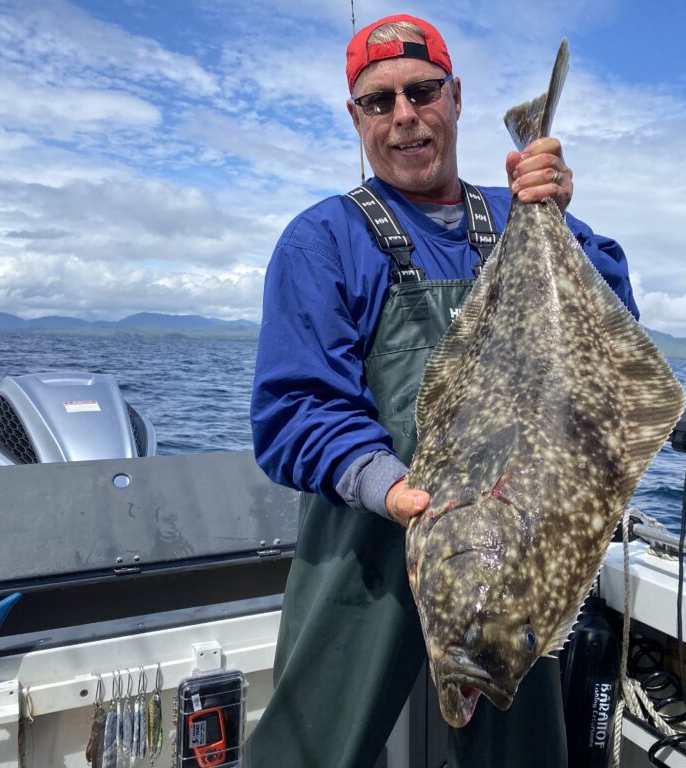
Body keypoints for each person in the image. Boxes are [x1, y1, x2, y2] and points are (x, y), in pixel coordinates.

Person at [247, 13, 639, 768]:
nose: (404, 118)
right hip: (368, 543)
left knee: (518, 756)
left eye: (422, 92)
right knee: (311, 750)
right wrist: (390, 490)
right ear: (355, 116)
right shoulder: (323, 240)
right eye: (378, 101)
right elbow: (297, 408)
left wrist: (559, 222)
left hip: (512, 542)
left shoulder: (521, 216)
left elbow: (615, 327)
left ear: (455, 98)